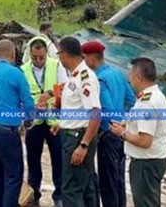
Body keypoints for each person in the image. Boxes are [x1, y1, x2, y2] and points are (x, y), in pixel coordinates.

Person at [0, 39, 33, 207]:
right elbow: (28, 102)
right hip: (7, 131)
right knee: (13, 174)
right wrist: (28, 120)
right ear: (13, 54)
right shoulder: (16, 73)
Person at [110, 57, 166, 207]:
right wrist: (126, 124)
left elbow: (145, 141)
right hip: (150, 161)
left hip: (146, 163)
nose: (129, 79)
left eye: (131, 75)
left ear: (138, 77)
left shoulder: (148, 103)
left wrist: (122, 133)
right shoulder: (152, 95)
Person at [83, 41, 135, 207]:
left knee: (108, 183)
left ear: (91, 58)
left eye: (84, 58)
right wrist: (124, 123)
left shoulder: (99, 79)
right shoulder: (118, 74)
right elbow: (131, 100)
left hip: (108, 135)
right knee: (119, 180)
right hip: (120, 134)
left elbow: (106, 110)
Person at [23, 36, 68, 207]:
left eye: (41, 57)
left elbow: (65, 86)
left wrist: (49, 93)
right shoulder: (23, 69)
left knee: (58, 159)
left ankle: (59, 196)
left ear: (46, 53)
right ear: (30, 54)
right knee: (33, 161)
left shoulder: (56, 65)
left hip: (53, 122)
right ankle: (33, 195)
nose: (38, 61)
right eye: (35, 57)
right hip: (34, 122)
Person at [57, 36, 100, 207]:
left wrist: (84, 144)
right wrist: (61, 123)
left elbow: (95, 113)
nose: (58, 57)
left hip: (78, 138)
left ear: (65, 53)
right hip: (72, 134)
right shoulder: (74, 76)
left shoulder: (85, 77)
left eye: (59, 52)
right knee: (86, 187)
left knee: (71, 189)